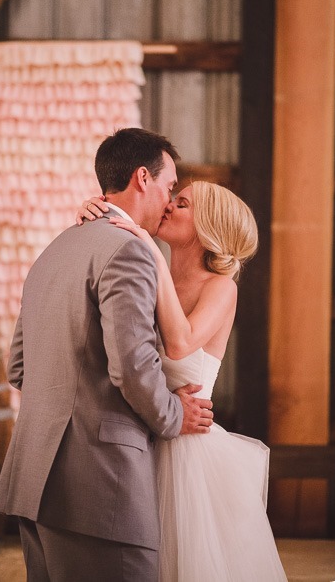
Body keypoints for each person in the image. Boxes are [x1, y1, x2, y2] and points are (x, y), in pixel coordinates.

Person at [0, 128, 214, 582]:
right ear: (142, 178)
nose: (170, 201)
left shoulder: (54, 250)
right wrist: (175, 414)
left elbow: (18, 367)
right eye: (169, 187)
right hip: (97, 487)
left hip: (34, 479)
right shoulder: (129, 251)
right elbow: (132, 367)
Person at [78, 180, 288, 581]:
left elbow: (180, 343)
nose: (169, 207)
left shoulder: (221, 287)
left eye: (182, 204)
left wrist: (152, 255)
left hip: (191, 453)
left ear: (207, 225)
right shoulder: (141, 269)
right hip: (143, 438)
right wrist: (97, 213)